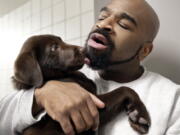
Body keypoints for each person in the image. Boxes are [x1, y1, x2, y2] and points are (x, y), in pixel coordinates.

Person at [0, 0, 180, 135]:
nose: (103, 24)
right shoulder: (66, 73)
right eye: (102, 17)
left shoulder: (173, 99)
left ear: (145, 50)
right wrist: (41, 95)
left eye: (123, 24)